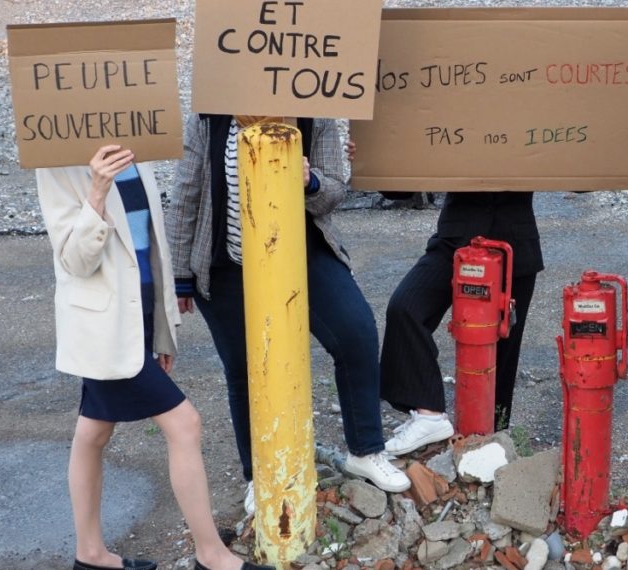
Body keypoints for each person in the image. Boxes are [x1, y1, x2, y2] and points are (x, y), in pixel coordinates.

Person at [37, 145, 273, 570]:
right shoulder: (57, 159)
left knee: (94, 431)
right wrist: (97, 190)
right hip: (103, 328)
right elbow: (74, 259)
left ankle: (90, 555)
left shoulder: (135, 144)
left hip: (137, 319)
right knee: (184, 423)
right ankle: (211, 555)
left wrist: (161, 329)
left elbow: (149, 246)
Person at [166, 115, 411, 512]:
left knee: (356, 333)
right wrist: (179, 276)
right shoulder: (208, 119)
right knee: (244, 369)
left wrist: (309, 181)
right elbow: (185, 195)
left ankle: (365, 450)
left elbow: (335, 191)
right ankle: (259, 476)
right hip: (228, 265)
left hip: (302, 253)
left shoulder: (314, 111)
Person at [375, 184, 544, 455]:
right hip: (455, 241)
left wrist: (615, 161)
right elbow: (398, 186)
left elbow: (580, 172)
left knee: (502, 354)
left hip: (515, 245)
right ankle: (429, 415)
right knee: (405, 308)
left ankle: (493, 443)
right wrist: (376, 167)